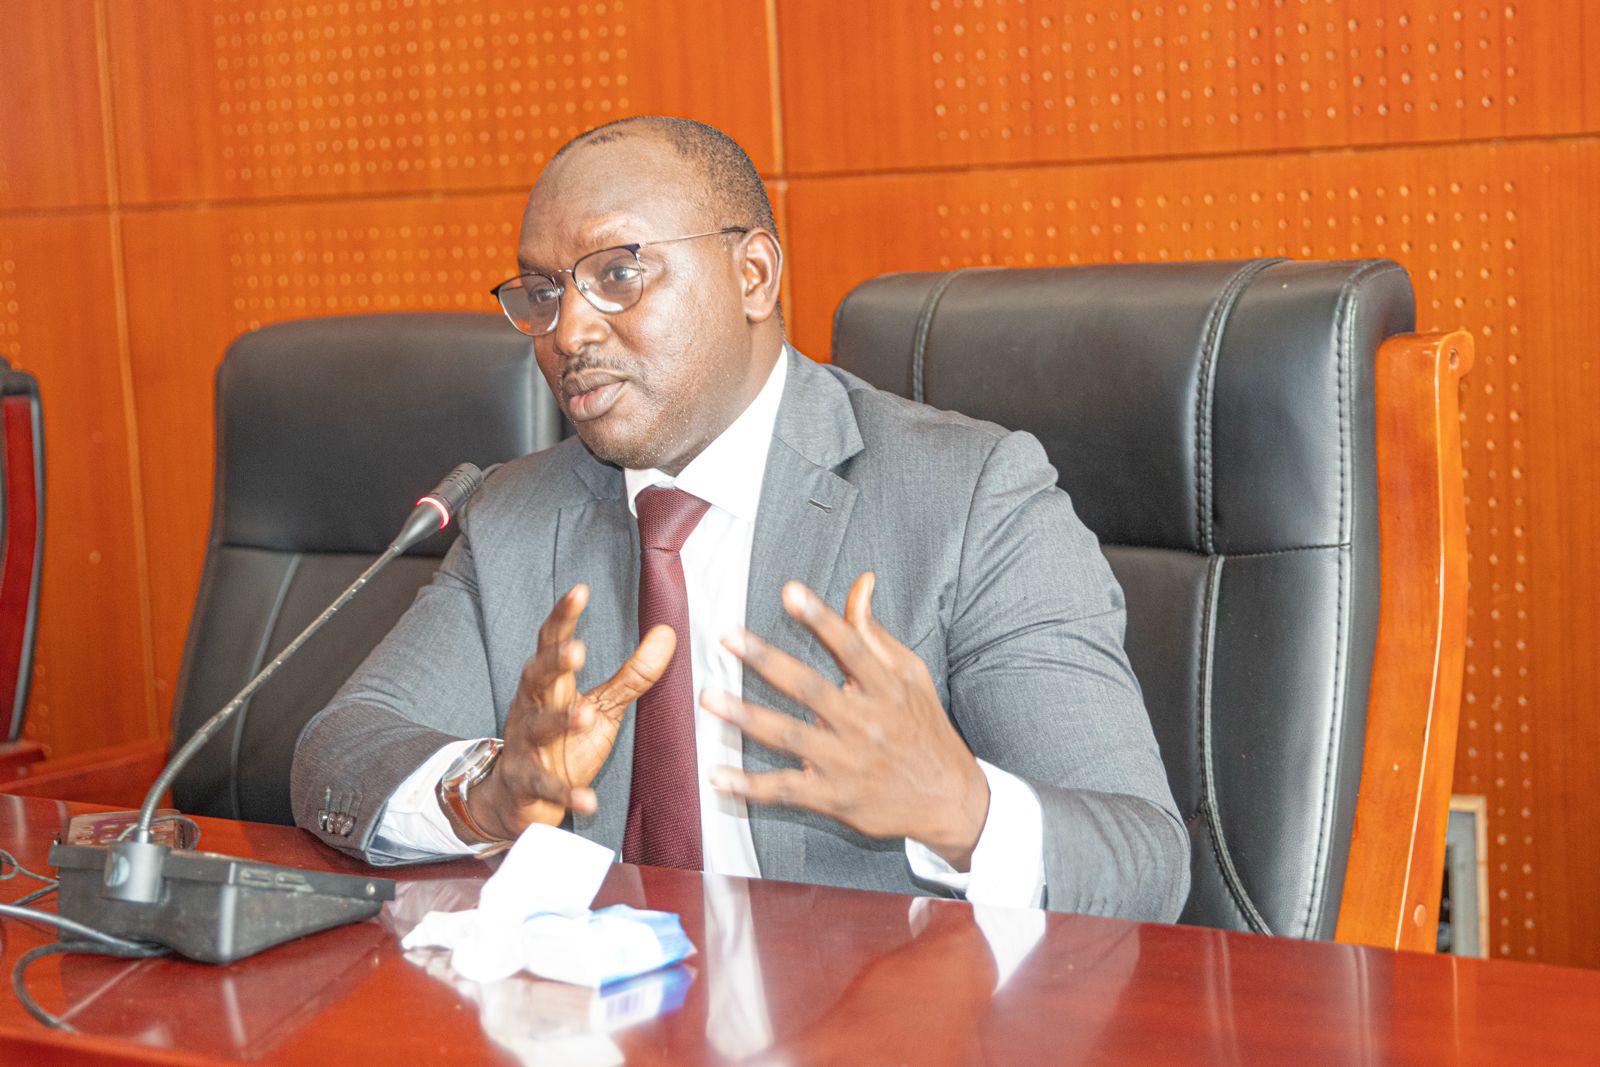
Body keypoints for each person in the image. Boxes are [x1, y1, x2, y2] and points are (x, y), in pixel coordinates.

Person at [290, 116, 1189, 920]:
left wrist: (965, 813)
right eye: (543, 291)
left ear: (753, 275)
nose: (568, 333)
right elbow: (342, 748)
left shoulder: (969, 495)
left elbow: (1144, 859)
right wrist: (486, 793)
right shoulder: (515, 514)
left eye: (617, 275)